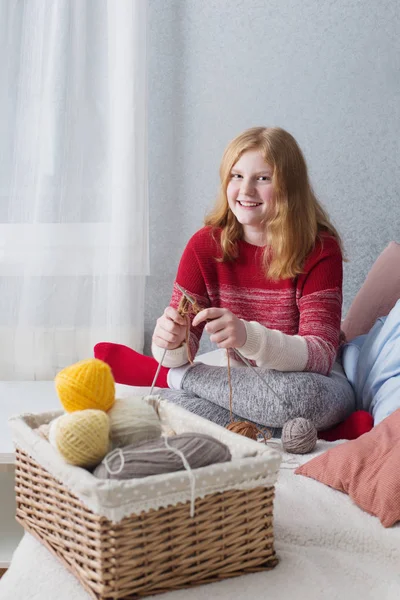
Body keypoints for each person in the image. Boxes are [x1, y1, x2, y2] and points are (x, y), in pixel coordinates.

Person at [95, 126, 355, 433]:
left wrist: (247, 336)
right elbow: (181, 353)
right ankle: (303, 431)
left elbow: (320, 355)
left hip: (309, 380)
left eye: (263, 178)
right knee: (162, 409)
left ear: (290, 186)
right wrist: (171, 340)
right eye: (237, 176)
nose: (246, 191)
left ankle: (176, 382)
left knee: (306, 402)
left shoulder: (320, 250)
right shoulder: (204, 246)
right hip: (237, 378)